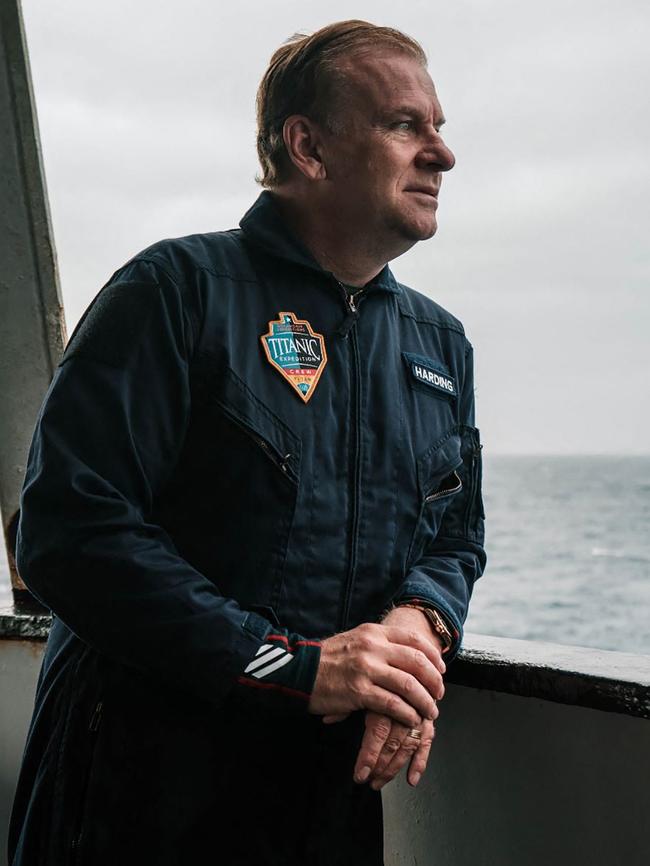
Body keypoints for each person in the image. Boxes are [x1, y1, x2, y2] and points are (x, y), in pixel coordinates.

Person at [8, 19, 485, 866]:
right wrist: (290, 665)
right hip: (140, 790)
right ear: (308, 146)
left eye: (439, 127)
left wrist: (421, 622)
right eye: (405, 124)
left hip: (325, 798)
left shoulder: (436, 346)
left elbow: (455, 538)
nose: (441, 154)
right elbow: (68, 535)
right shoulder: (175, 293)